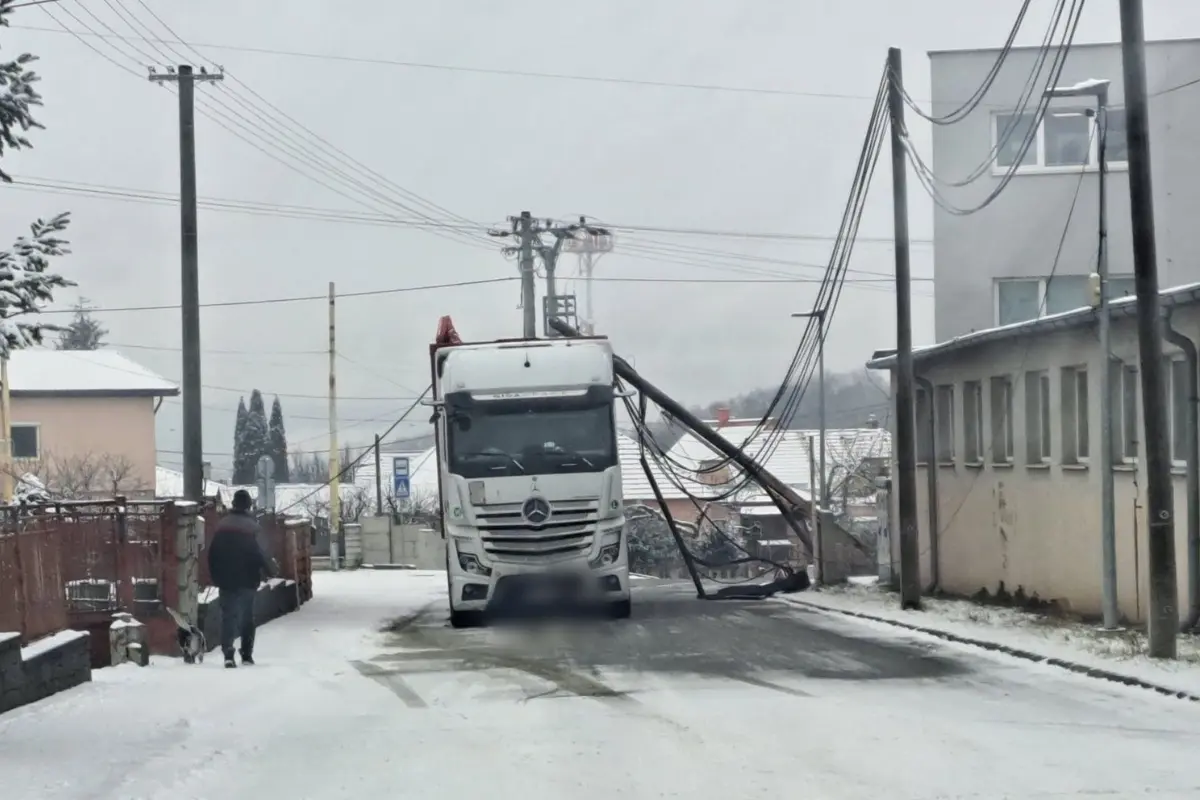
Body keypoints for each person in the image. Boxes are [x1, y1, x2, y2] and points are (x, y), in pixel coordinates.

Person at [207, 489, 273, 668]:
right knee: (247, 617)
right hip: (248, 580)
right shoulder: (253, 528)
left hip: (226, 581)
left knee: (228, 617)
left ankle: (228, 653)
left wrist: (215, 577)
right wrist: (270, 570)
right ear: (249, 506)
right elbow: (262, 554)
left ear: (233, 505)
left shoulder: (222, 526)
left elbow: (212, 554)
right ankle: (246, 654)